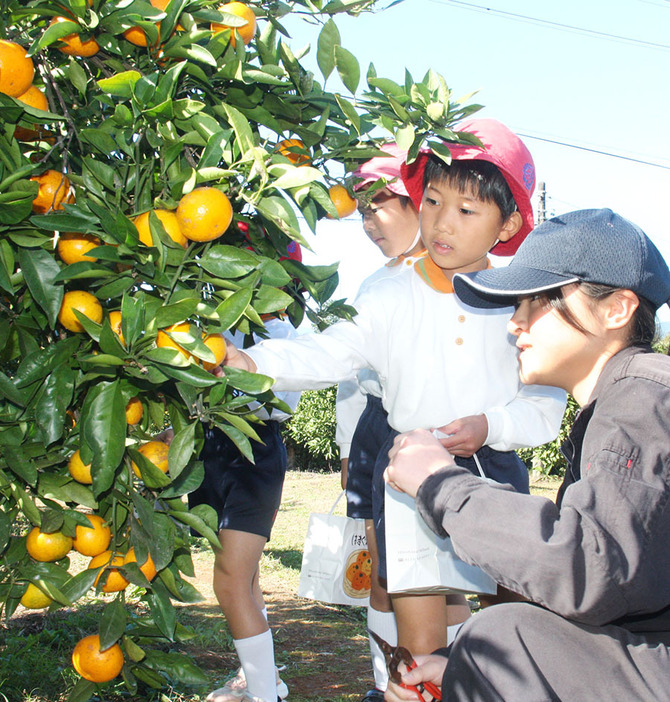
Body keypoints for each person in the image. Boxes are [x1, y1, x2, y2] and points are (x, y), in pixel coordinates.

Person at [221, 119, 566, 658]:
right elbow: (330, 351)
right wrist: (249, 360)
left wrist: (491, 426)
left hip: (494, 472)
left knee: (509, 631)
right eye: (430, 201)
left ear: (508, 224)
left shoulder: (520, 302)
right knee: (421, 644)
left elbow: (546, 401)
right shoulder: (389, 295)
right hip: (410, 475)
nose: (440, 223)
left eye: (466, 210)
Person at [384, 208, 670, 701]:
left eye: (538, 301)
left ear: (617, 309)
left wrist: (440, 483)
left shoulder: (641, 399)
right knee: (493, 646)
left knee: (497, 635)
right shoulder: (621, 402)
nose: (515, 322)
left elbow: (587, 568)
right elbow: (623, 594)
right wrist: (459, 667)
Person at [336, 144, 424, 702]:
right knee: (381, 572)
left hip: (418, 427)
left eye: (381, 206)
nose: (369, 223)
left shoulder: (440, 277)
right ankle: (383, 683)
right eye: (363, 211)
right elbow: (350, 370)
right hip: (374, 425)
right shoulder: (374, 284)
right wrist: (349, 445)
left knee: (431, 576)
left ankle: (433, 680)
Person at [193, 316, 301, 702]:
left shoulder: (283, 332)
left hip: (254, 447)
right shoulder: (212, 323)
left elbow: (280, 401)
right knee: (245, 574)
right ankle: (262, 678)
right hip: (211, 447)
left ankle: (263, 694)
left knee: (229, 579)